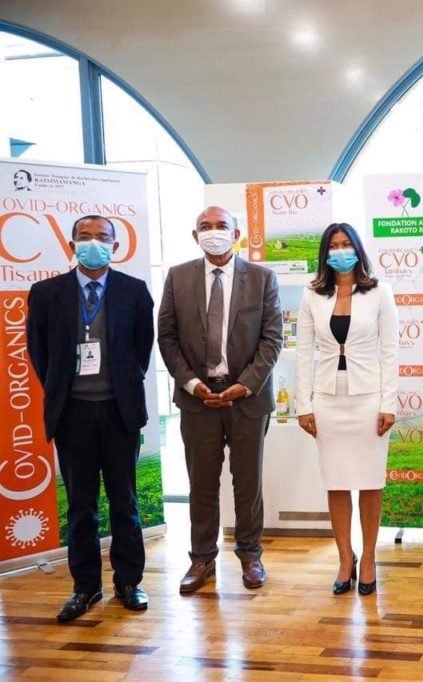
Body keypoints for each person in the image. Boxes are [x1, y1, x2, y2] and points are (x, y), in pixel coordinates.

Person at [27, 215, 154, 622]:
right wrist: (62, 389)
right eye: (85, 237)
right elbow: (38, 351)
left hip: (119, 413)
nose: (93, 243)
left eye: (102, 237)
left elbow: (142, 349)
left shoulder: (134, 291)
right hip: (72, 415)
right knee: (81, 507)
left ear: (115, 246)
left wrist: (122, 384)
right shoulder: (47, 293)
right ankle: (85, 587)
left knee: (125, 503)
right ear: (71, 245)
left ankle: (129, 582)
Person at [157, 206, 282, 593]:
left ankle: (250, 555)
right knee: (201, 484)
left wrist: (244, 385)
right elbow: (167, 337)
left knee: (248, 483)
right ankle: (201, 559)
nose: (214, 232)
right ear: (195, 236)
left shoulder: (262, 278)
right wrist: (193, 384)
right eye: (205, 227)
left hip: (247, 399)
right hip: (198, 400)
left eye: (222, 226)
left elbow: (272, 339)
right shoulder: (178, 277)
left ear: (236, 234)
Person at [295, 223, 398, 596]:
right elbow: (303, 352)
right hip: (327, 399)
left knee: (371, 482)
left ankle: (368, 558)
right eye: (334, 246)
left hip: (369, 399)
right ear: (325, 253)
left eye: (346, 244)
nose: (341, 251)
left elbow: (390, 351)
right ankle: (344, 558)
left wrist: (388, 403)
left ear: (358, 249)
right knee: (336, 482)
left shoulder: (380, 292)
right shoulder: (311, 294)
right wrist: (303, 405)